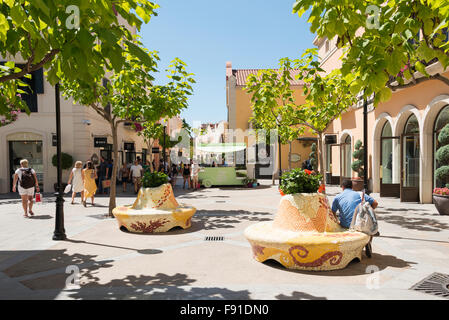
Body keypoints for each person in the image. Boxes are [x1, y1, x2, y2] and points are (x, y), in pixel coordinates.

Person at [331, 179, 379, 256]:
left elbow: (332, 212)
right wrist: (368, 211)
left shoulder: (337, 197)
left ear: (342, 187)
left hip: (346, 225)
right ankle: (368, 242)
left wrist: (337, 221)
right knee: (369, 220)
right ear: (352, 186)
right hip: (361, 224)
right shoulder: (360, 194)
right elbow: (375, 203)